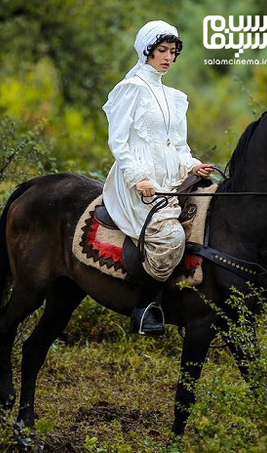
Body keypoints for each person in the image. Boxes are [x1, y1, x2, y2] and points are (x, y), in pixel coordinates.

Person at [103, 20, 214, 336]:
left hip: (170, 179)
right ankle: (144, 307)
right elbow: (118, 141)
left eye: (172, 52)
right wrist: (138, 177)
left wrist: (191, 165)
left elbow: (177, 145)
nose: (168, 57)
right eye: (161, 51)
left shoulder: (175, 97)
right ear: (146, 51)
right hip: (136, 181)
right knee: (171, 236)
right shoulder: (131, 89)